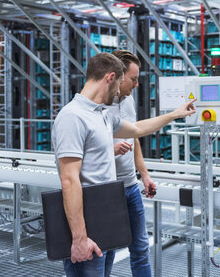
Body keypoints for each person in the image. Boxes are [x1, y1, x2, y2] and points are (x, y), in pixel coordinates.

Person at [52, 52, 196, 277]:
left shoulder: (101, 115)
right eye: (119, 83)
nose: (119, 91)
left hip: (106, 213)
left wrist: (175, 115)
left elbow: (137, 129)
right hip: (88, 221)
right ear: (109, 78)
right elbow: (69, 181)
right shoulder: (72, 117)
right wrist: (79, 239)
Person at [106, 50, 154, 276]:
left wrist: (143, 174)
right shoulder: (99, 104)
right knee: (106, 251)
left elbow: (134, 137)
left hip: (130, 186)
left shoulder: (129, 101)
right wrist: (110, 149)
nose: (136, 85)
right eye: (133, 79)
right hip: (106, 189)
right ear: (116, 76)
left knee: (141, 248)